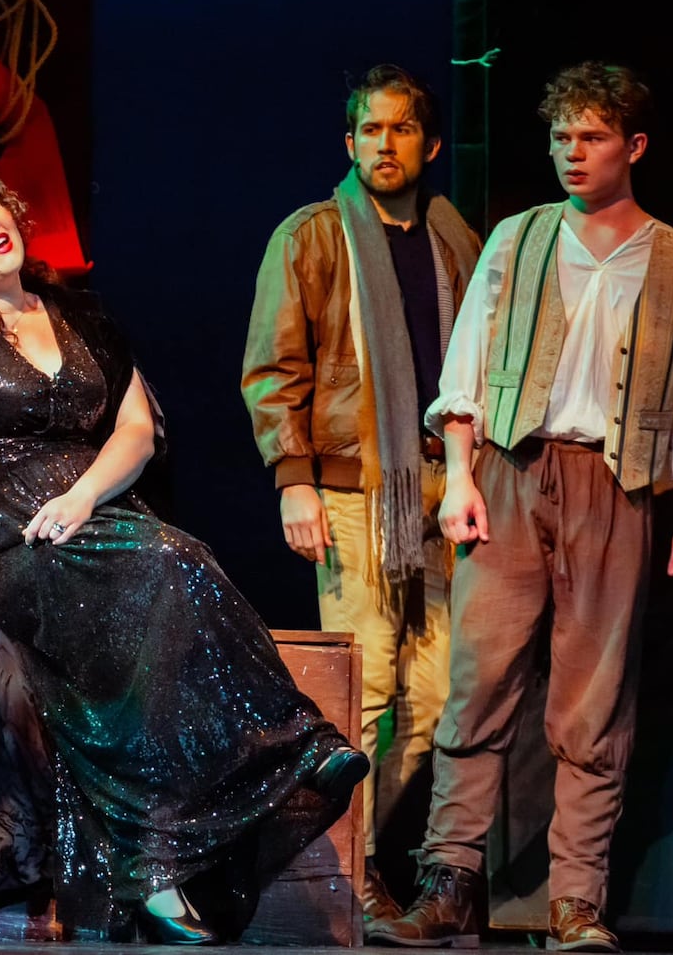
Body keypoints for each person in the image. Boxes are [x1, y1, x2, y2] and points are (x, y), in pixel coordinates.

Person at [0, 164, 370, 944]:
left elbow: (137, 429)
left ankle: (165, 855)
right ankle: (282, 755)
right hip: (8, 541)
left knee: (179, 562)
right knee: (169, 568)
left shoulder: (82, 315)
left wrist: (82, 496)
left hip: (96, 521)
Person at [368, 62, 673, 952]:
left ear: (634, 146)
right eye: (560, 137)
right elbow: (467, 362)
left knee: (594, 698)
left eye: (593, 137)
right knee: (478, 682)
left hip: (616, 486)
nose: (572, 152)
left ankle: (576, 900)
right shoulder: (520, 238)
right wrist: (457, 476)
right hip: (509, 470)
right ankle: (448, 885)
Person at [240, 64, 483, 926]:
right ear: (349, 143)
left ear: (430, 143)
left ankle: (354, 854)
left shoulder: (460, 240)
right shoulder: (312, 235)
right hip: (353, 489)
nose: (385, 144)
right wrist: (293, 479)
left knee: (444, 688)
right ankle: (355, 874)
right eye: (370, 131)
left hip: (443, 489)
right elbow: (275, 369)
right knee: (366, 686)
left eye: (402, 129)